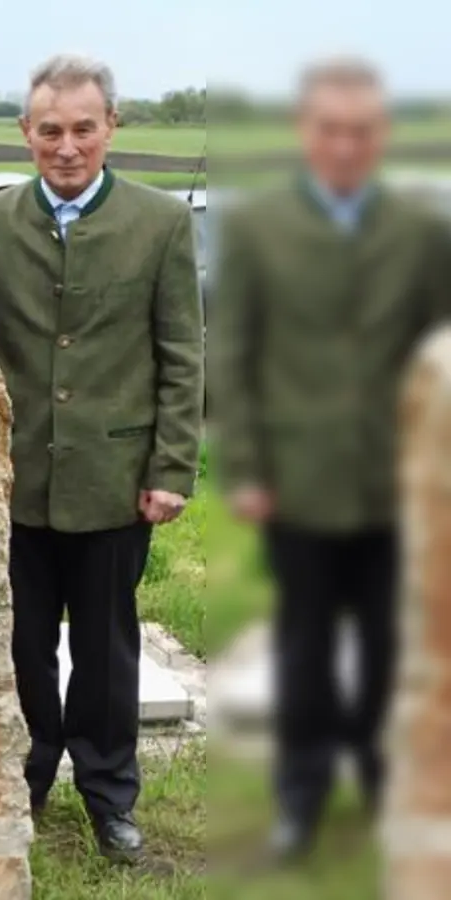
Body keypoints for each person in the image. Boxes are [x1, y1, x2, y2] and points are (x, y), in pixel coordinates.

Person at [0, 53, 204, 862]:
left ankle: (108, 795)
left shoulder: (161, 223)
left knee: (105, 648)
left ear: (110, 128)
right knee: (19, 645)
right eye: (50, 130)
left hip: (115, 484)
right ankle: (21, 782)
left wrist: (170, 468)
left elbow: (180, 355)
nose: (67, 146)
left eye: (83, 128)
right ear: (26, 134)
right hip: (14, 486)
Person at [209, 57, 451, 862]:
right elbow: (234, 355)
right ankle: (301, 800)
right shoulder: (258, 229)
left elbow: (439, 352)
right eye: (330, 131)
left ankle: (390, 789)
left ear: (380, 137)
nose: (346, 146)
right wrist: (245, 469)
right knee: (306, 648)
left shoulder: (421, 232)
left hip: (396, 482)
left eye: (362, 132)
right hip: (297, 484)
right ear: (306, 135)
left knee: (392, 645)